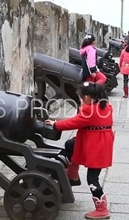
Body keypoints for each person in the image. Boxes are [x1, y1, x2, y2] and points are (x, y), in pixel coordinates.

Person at [45, 82, 114, 219]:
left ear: (87, 98)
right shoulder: (106, 106)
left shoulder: (89, 111)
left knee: (92, 179)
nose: (80, 101)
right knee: (71, 144)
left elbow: (73, 122)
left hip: (96, 147)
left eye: (80, 98)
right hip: (99, 143)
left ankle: (102, 209)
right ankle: (72, 173)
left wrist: (56, 124)